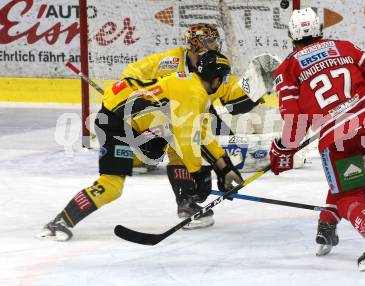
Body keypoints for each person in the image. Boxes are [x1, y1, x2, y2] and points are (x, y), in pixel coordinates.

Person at [37, 51, 244, 241]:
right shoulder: (192, 93)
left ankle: (186, 205)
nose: (223, 83)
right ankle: (60, 221)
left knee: (174, 143)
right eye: (223, 79)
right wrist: (199, 174)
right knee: (112, 186)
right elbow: (188, 139)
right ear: (216, 79)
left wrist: (224, 167)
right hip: (116, 126)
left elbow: (203, 134)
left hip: (136, 124)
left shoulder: (193, 87)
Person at [269, 7, 365, 271]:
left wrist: (280, 151)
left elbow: (294, 126)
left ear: (291, 36)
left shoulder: (287, 68)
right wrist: (354, 105)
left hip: (338, 137)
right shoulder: (345, 47)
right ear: (320, 30)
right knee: (346, 175)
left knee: (348, 195)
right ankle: (327, 223)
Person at [121, 23, 275, 229]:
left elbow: (230, 98)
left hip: (187, 117)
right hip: (152, 118)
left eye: (215, 40)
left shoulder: (213, 66)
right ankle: (185, 201)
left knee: (193, 148)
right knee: (178, 144)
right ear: (195, 44)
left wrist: (257, 88)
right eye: (210, 41)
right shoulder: (170, 61)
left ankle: (190, 196)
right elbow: (130, 75)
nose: (215, 45)